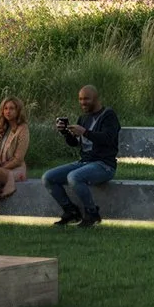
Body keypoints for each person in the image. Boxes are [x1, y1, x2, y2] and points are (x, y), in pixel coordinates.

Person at [46, 85, 120, 227]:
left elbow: (108, 138)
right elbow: (75, 143)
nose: (82, 102)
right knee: (48, 177)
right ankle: (70, 211)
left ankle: (92, 213)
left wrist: (85, 132)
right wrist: (66, 133)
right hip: (84, 162)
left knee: (74, 177)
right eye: (80, 99)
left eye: (86, 99)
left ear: (96, 99)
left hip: (104, 165)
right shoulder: (83, 118)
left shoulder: (109, 115)